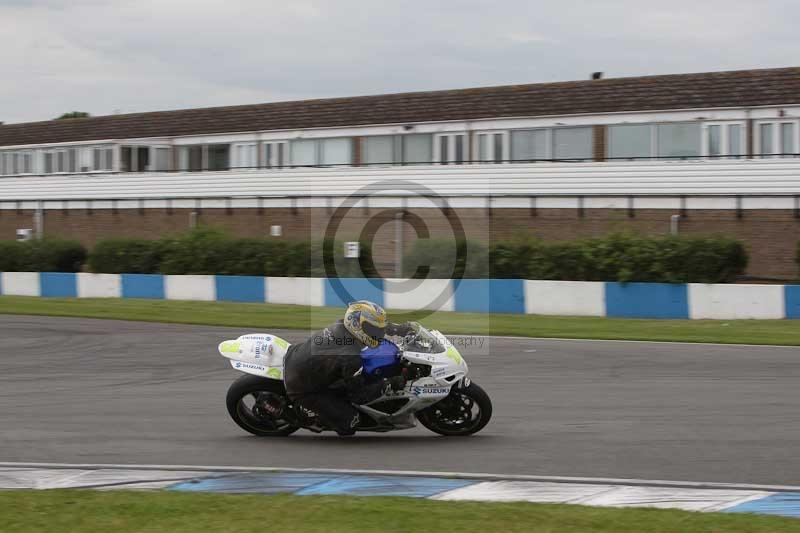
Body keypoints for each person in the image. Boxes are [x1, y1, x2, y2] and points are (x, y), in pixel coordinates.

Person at [282, 300, 410, 436]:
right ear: (357, 325)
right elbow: (360, 396)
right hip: (303, 386)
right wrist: (392, 383)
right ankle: (301, 416)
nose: (378, 333)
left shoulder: (343, 325)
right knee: (350, 423)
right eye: (374, 330)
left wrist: (399, 329)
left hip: (300, 359)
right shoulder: (351, 356)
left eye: (378, 329)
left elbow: (375, 326)